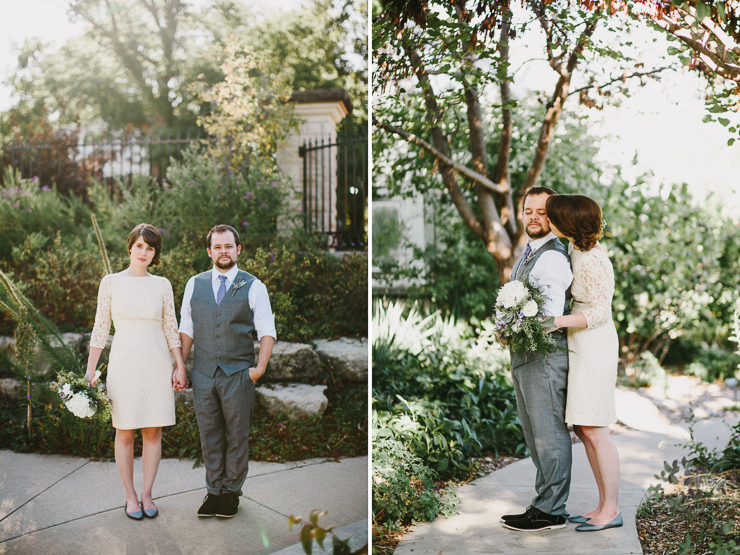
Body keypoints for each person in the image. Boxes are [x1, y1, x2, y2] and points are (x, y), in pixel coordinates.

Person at [86, 223, 188, 521]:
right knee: (125, 430)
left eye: (150, 247)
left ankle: (147, 494)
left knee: (153, 430)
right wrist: (91, 370)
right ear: (130, 246)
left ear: (155, 253)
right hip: (124, 362)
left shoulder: (162, 285)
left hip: (157, 361)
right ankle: (130, 495)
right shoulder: (111, 282)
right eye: (140, 245)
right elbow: (100, 328)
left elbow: (171, 328)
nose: (144, 252)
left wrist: (180, 365)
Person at [179, 224, 275, 518]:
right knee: (209, 434)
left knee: (236, 434)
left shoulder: (253, 285)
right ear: (209, 252)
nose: (223, 252)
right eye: (217, 247)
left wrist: (258, 369)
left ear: (238, 250)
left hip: (238, 374)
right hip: (204, 373)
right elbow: (187, 328)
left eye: (228, 246)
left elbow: (266, 330)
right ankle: (214, 491)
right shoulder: (195, 284)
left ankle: (231, 493)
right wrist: (181, 366)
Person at [545, 193, 622, 532]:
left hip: (595, 346)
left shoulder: (591, 259)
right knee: (583, 427)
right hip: (582, 344)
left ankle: (612, 510)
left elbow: (600, 313)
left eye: (552, 216)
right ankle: (603, 505)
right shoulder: (576, 248)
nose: (547, 220)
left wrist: (556, 321)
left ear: (568, 221)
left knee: (596, 429)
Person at [501, 186, 574, 532]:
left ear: (554, 216)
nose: (533, 217)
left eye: (542, 212)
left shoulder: (552, 257)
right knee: (533, 434)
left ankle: (553, 510)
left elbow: (549, 315)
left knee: (548, 433)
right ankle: (543, 503)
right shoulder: (531, 251)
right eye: (528, 210)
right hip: (526, 355)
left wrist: (516, 328)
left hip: (544, 357)